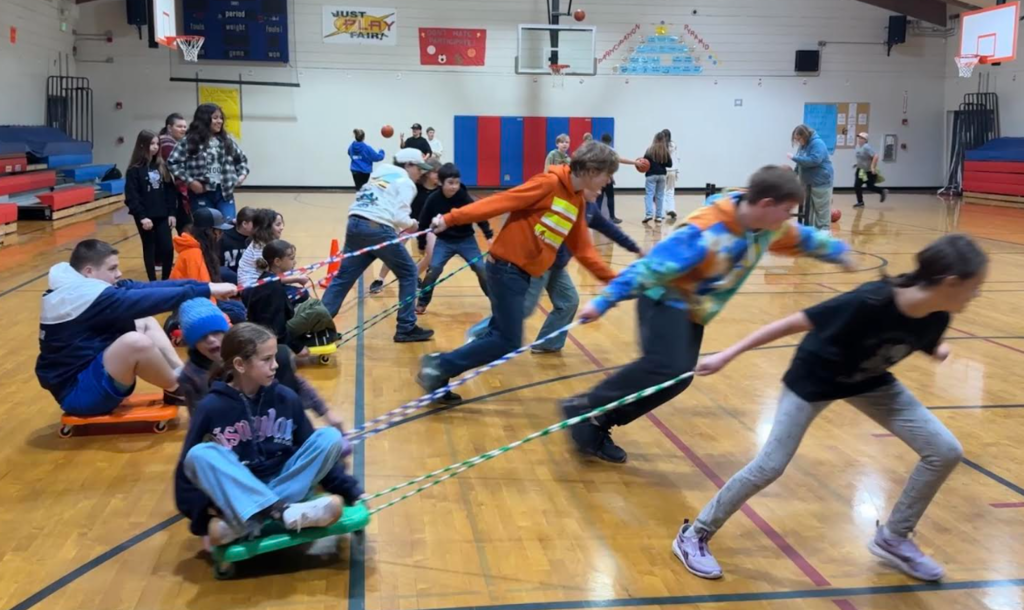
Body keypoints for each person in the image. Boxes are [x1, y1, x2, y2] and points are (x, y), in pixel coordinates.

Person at [673, 234, 987, 583]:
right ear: (950, 282)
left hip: (868, 381)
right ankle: (694, 534)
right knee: (770, 466)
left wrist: (937, 351)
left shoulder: (936, 316)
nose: (976, 295)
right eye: (974, 287)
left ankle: (894, 537)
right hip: (813, 380)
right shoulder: (870, 301)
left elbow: (917, 336)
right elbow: (793, 322)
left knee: (944, 450)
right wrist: (727, 354)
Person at [562, 166, 853, 463]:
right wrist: (604, 301)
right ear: (766, 204)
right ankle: (583, 405)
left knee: (678, 378)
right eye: (786, 210)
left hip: (692, 308)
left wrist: (836, 250)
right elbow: (650, 268)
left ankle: (596, 424)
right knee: (666, 366)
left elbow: (799, 238)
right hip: (663, 297)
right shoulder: (706, 229)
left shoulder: (767, 227)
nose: (788, 217)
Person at [417, 141, 620, 405]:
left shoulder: (576, 201)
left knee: (497, 335)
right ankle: (438, 365)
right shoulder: (548, 184)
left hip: (522, 275)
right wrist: (451, 218)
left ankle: (440, 373)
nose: (609, 181)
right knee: (507, 341)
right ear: (592, 170)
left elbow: (584, 250)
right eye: (608, 174)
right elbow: (500, 202)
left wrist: (617, 282)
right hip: (506, 269)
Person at [174, 323, 363, 548]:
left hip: (285, 483)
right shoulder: (210, 407)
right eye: (266, 359)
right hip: (241, 490)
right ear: (240, 365)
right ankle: (282, 512)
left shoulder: (286, 397)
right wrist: (202, 520)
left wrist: (351, 492)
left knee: (329, 437)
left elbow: (310, 450)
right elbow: (186, 473)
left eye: (274, 357)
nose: (275, 365)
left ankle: (248, 521)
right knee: (199, 454)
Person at [35, 239, 237, 415]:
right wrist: (207, 290)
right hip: (79, 395)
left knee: (143, 321)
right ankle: (179, 390)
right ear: (89, 271)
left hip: (90, 374)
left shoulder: (77, 286)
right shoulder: (82, 297)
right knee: (135, 342)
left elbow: (146, 288)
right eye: (112, 269)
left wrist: (206, 286)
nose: (119, 273)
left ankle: (183, 377)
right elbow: (149, 300)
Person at [465, 191, 643, 353]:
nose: (599, 191)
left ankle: (547, 343)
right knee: (523, 309)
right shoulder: (563, 203)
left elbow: (610, 229)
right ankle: (479, 333)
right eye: (596, 186)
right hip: (539, 264)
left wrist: (635, 248)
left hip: (557, 267)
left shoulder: (590, 209)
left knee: (569, 302)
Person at [321, 149, 436, 343]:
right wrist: (414, 224)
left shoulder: (381, 171)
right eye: (419, 168)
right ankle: (406, 327)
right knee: (409, 273)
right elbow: (400, 218)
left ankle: (318, 328)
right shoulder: (406, 182)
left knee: (343, 278)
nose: (420, 173)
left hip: (355, 223)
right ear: (408, 165)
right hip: (377, 228)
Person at [176, 298, 345, 426]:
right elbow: (199, 422)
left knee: (282, 356)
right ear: (193, 342)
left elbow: (295, 382)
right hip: (233, 436)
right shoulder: (191, 376)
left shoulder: (245, 350)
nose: (211, 340)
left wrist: (325, 412)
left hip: (270, 423)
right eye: (202, 337)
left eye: (216, 332)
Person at [415, 163, 494, 313]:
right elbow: (423, 222)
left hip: (466, 240)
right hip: (444, 241)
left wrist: (488, 235)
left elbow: (479, 215)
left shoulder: (464, 197)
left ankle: (496, 301)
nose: (454, 187)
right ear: (441, 182)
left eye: (457, 183)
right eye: (450, 183)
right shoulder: (433, 199)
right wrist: (421, 244)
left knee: (480, 268)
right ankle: (422, 302)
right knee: (434, 269)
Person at [245, 239, 335, 357]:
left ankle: (326, 334)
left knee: (314, 303)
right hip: (267, 334)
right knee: (319, 312)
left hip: (276, 323)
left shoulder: (270, 278)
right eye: (291, 258)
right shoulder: (272, 287)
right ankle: (326, 336)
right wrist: (298, 347)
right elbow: (276, 328)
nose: (294, 262)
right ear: (277, 261)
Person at [167, 103, 250, 221]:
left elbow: (242, 160)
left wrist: (241, 176)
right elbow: (173, 162)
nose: (220, 121)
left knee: (228, 225)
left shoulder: (226, 140)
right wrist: (191, 182)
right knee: (205, 227)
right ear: (204, 119)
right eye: (215, 118)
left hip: (224, 192)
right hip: (201, 192)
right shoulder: (189, 141)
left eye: (221, 118)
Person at [370, 158, 441, 292]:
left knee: (432, 253)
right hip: (409, 223)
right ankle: (380, 279)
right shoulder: (415, 186)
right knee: (393, 250)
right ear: (427, 173)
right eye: (435, 172)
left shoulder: (439, 191)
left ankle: (414, 276)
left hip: (427, 227)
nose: (439, 176)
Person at [169, 207, 246, 323]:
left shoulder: (201, 247)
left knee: (239, 308)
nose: (221, 234)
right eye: (219, 231)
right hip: (189, 305)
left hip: (196, 298)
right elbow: (201, 293)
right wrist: (223, 321)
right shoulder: (194, 254)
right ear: (209, 232)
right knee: (239, 313)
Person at [125, 129, 177, 281]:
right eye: (151, 144)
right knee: (149, 248)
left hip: (162, 214)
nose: (155, 147)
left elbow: (170, 192)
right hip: (145, 217)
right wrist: (141, 216)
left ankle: (166, 279)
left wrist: (172, 213)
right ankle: (152, 280)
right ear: (142, 145)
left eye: (157, 144)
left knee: (167, 248)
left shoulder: (161, 166)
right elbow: (132, 196)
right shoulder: (134, 170)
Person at [789, 124, 834, 231]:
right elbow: (800, 162)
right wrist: (793, 176)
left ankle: (823, 236)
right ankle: (809, 234)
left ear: (804, 135)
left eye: (798, 139)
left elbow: (814, 160)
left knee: (821, 212)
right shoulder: (803, 145)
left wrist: (794, 158)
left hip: (821, 183)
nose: (798, 141)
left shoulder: (817, 143)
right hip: (808, 184)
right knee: (808, 212)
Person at [159, 113, 191, 233]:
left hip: (172, 192)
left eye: (184, 127)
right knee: (186, 229)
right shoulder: (167, 143)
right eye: (179, 126)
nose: (183, 129)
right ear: (169, 127)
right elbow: (178, 169)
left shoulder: (174, 142)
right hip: (170, 192)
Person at [237, 208, 284, 289]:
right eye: (278, 225)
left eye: (282, 224)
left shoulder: (265, 243)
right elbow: (272, 275)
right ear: (267, 228)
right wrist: (296, 278)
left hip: (260, 285)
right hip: (251, 289)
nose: (282, 227)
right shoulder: (259, 247)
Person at [642, 131, 672, 224]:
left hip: (651, 175)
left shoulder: (649, 150)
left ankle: (649, 214)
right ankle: (659, 216)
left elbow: (644, 162)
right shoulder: (665, 151)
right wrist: (662, 162)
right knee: (660, 196)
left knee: (649, 194)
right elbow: (670, 164)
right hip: (662, 175)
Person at [220, 206, 255, 283]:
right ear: (244, 224)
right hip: (226, 281)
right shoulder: (222, 238)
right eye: (255, 224)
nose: (258, 227)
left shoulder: (257, 239)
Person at [854, 132, 888, 208]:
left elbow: (875, 156)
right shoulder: (857, 146)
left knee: (870, 186)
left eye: (861, 138)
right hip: (860, 170)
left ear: (865, 140)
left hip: (868, 171)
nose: (859, 139)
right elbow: (862, 157)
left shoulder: (866, 147)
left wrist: (872, 167)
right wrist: (857, 164)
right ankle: (860, 202)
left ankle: (882, 191)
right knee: (857, 186)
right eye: (859, 138)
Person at [599, 133, 623, 224]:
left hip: (599, 178)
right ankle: (612, 217)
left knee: (599, 198)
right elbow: (610, 166)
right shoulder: (611, 151)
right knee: (610, 197)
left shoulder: (598, 150)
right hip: (607, 177)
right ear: (610, 141)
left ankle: (597, 218)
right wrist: (611, 177)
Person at [662, 129, 679, 222]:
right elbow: (676, 158)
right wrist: (677, 171)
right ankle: (671, 209)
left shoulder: (660, 146)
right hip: (673, 170)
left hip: (664, 170)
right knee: (671, 191)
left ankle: (664, 211)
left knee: (662, 191)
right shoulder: (673, 145)